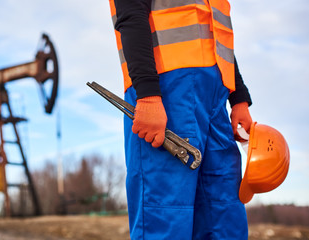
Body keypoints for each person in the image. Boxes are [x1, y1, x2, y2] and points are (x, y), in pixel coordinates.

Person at [108, 0, 253, 239]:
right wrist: (148, 95)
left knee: (224, 214)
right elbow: (131, 10)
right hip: (166, 89)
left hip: (216, 93)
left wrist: (238, 97)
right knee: (165, 217)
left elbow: (215, 31)